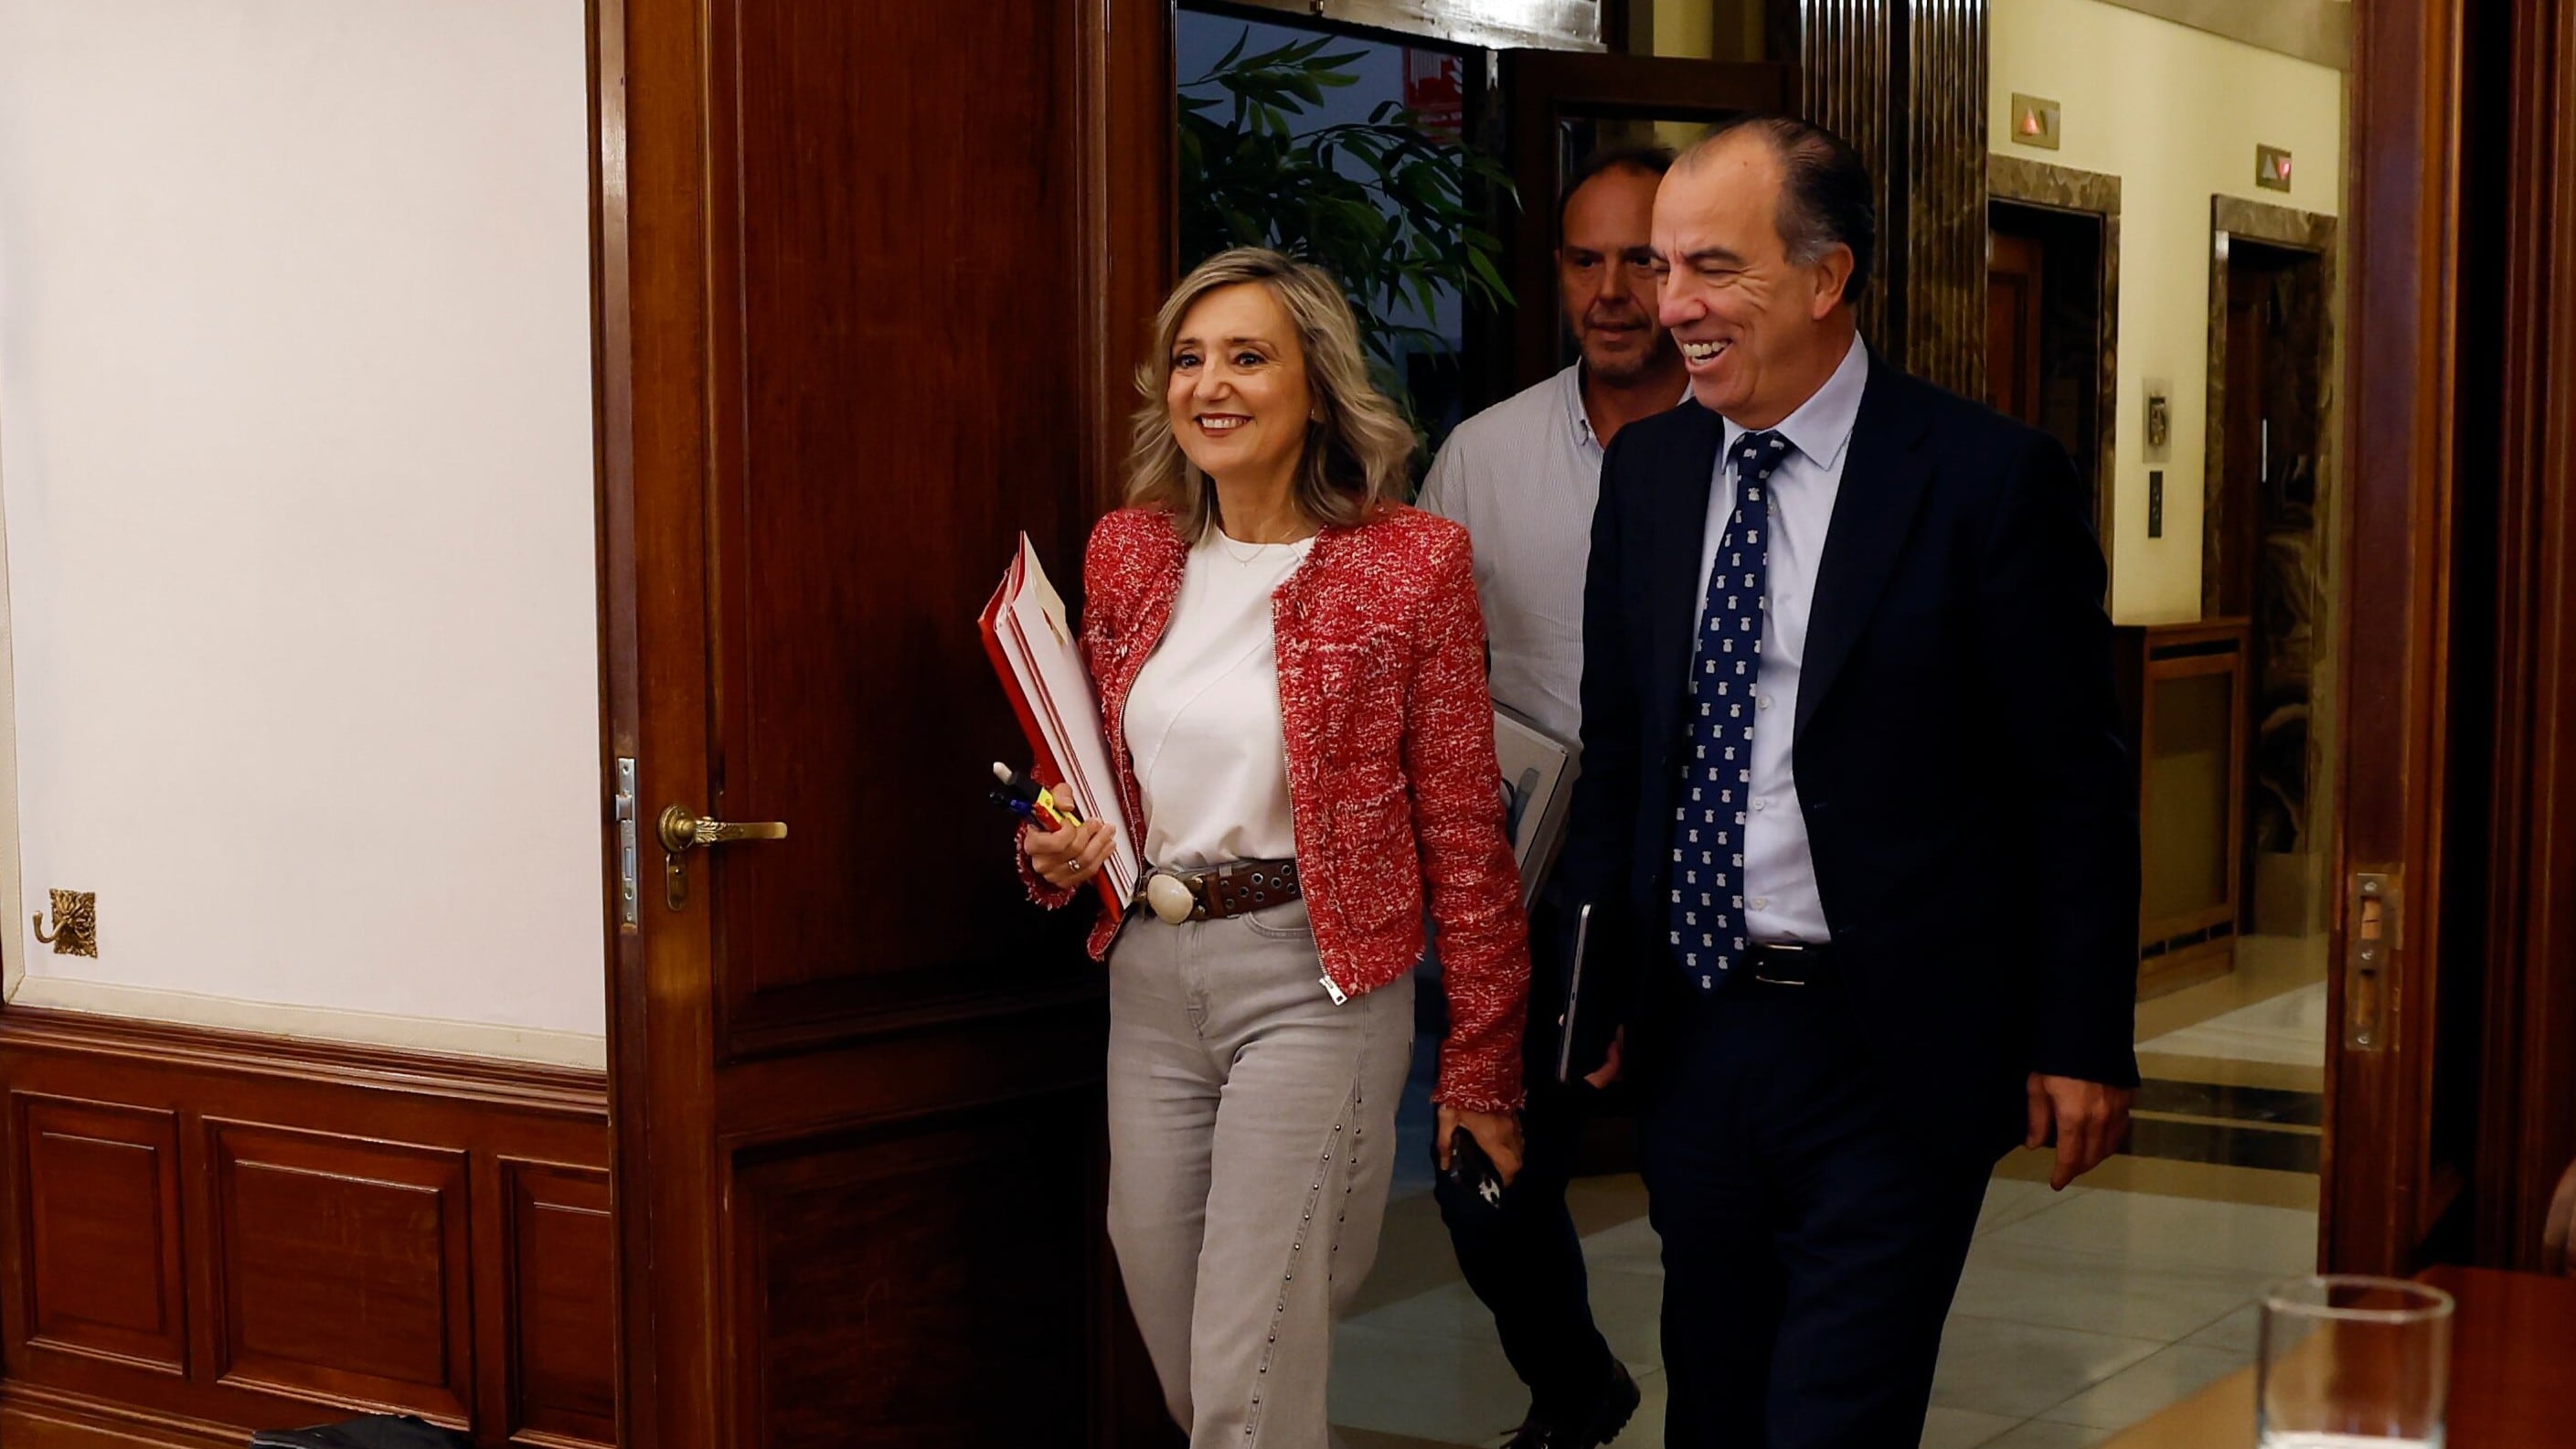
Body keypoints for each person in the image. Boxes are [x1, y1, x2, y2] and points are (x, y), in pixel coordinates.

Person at [1554, 115, 2141, 1447]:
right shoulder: (1649, 473)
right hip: (1701, 1028)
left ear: (1825, 278)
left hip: (1894, 1041)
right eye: (1660, 267)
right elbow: (1623, 756)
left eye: (1714, 266)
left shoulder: (1987, 480)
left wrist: (2080, 1036)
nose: (1673, 306)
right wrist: (1587, 989)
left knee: (1831, 1418)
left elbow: (2071, 785)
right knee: (1713, 1403)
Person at [1018, 246, 1532, 1449]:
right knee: (1194, 1354)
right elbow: (1080, 769)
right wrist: (1050, 847)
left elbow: (1464, 832)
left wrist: (1482, 1067)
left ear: (1317, 384)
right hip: (1148, 977)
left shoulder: (1409, 565)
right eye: (1189, 358)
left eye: (1247, 356)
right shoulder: (1129, 551)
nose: (1211, 383)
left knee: (1247, 1370)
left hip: (1316, 981)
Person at [1414, 144, 1687, 1449]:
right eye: (1587, 258)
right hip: (1537, 880)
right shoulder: (1481, 455)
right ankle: (1575, 1380)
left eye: (1643, 255)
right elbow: (1433, 677)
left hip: (1697, 869)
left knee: (1711, 1186)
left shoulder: (1736, 435)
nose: (1615, 287)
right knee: (1484, 1178)